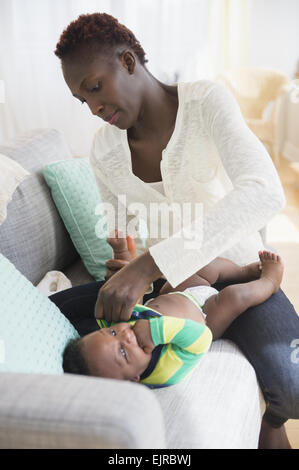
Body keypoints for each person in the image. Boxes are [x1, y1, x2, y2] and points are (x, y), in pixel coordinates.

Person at [53, 12, 299, 448]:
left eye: (94, 88)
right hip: (162, 288)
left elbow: (264, 192)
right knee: (49, 316)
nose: (93, 109)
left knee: (294, 388)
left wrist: (148, 264)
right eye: (82, 101)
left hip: (234, 268)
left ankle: (274, 419)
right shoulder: (104, 147)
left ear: (128, 61)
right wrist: (126, 263)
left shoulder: (206, 102)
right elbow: (120, 227)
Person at [63, 232, 283, 389]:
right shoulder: (164, 370)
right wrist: (156, 331)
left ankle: (241, 270)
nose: (125, 335)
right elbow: (200, 339)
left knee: (198, 267)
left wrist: (122, 257)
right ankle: (269, 282)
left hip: (172, 294)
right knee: (235, 297)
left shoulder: (123, 333)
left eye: (111, 333)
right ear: (133, 380)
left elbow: (130, 299)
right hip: (205, 316)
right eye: (123, 352)